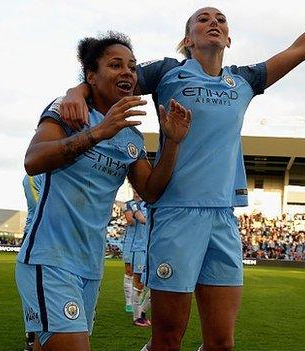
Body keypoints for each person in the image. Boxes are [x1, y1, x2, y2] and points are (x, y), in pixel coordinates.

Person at [59, 2, 305, 350]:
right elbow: (110, 82)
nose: (213, 22)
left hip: (223, 218)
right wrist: (75, 92)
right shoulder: (167, 73)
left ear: (228, 39)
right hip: (176, 214)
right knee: (168, 339)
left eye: (220, 20)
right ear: (188, 39)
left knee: (222, 343)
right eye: (203, 19)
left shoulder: (244, 80)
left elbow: (302, 49)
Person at [15, 31, 191, 351]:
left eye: (132, 66)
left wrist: (173, 144)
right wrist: (98, 132)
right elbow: (34, 160)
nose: (127, 71)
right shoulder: (69, 110)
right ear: (92, 77)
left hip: (90, 266)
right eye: (115, 64)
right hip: (49, 258)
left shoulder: (131, 138)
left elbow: (150, 191)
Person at [21, 174, 44, 351]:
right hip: (34, 235)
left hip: (56, 238)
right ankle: (32, 337)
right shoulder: (32, 175)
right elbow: (39, 206)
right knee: (35, 293)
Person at [127, 191, 150, 327]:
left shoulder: (152, 205)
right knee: (139, 285)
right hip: (139, 249)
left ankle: (141, 312)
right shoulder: (134, 206)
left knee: (153, 286)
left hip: (151, 249)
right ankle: (137, 317)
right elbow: (141, 219)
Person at [121, 196, 138, 313]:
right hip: (131, 242)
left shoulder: (148, 203)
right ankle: (129, 303)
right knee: (129, 271)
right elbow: (130, 221)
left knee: (141, 275)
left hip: (144, 243)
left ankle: (137, 302)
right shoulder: (129, 204)